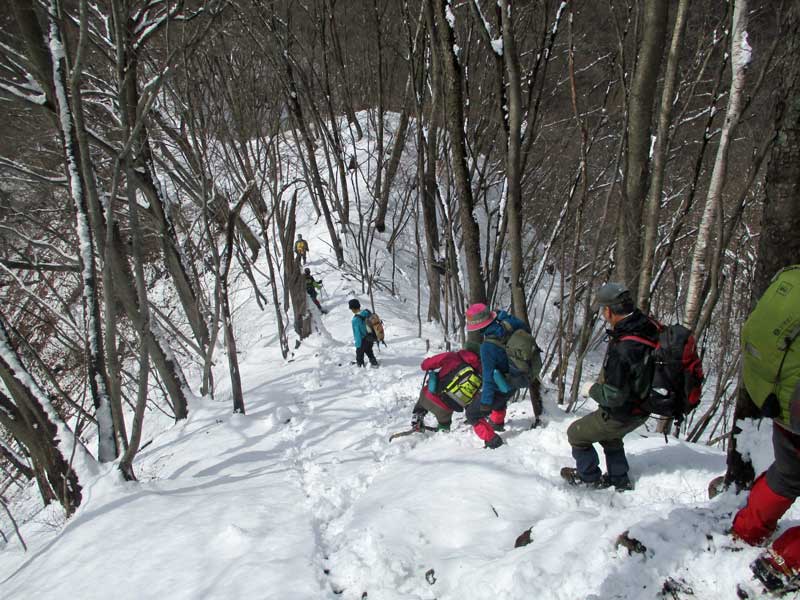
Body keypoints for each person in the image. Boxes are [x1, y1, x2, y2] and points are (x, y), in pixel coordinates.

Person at [560, 282, 659, 491]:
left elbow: (614, 397)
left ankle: (589, 478)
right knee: (609, 434)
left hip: (625, 412)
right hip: (644, 406)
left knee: (576, 434)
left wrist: (592, 389)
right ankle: (619, 478)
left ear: (608, 310)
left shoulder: (624, 347)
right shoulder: (647, 326)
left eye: (603, 310)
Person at [464, 303, 531, 449]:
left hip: (505, 384)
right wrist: (502, 315)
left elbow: (488, 379)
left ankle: (493, 441)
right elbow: (525, 328)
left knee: (472, 414)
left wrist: (485, 403)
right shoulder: (509, 324)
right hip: (520, 376)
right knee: (500, 398)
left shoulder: (487, 347)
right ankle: (497, 423)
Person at [412, 342, 482, 433]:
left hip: (429, 397)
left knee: (422, 402)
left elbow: (425, 365)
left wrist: (427, 364)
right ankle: (443, 430)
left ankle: (417, 416)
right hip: (445, 410)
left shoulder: (452, 357)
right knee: (444, 424)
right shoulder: (480, 373)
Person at [349, 299, 378, 367]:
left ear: (352, 308)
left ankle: (360, 364)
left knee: (359, 353)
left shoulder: (355, 320)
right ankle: (373, 361)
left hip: (362, 340)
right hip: (371, 337)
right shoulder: (367, 312)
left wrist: (358, 344)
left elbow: (357, 334)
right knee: (369, 350)